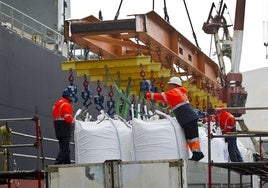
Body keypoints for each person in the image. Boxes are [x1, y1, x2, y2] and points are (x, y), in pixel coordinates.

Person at [145, 76, 204, 161]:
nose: (168, 87)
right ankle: (196, 153)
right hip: (188, 118)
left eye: (170, 85)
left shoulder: (174, 92)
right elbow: (166, 99)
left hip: (187, 118)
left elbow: (162, 96)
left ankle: (197, 153)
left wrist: (148, 95)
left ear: (174, 85)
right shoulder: (178, 92)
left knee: (192, 137)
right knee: (191, 137)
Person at [52, 87, 75, 164]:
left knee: (65, 147)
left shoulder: (57, 105)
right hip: (64, 128)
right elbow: (68, 117)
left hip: (58, 128)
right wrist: (74, 121)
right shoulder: (66, 105)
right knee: (64, 148)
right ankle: (57, 164)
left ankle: (67, 164)